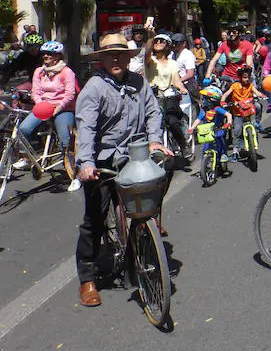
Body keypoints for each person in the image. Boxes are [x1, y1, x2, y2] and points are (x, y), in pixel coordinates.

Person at [74, 33, 172, 307]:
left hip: (136, 154)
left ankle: (147, 231)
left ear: (128, 58)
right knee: (94, 218)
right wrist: (86, 163)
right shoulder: (94, 88)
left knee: (165, 170)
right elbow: (87, 128)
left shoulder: (139, 83)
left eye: (121, 54)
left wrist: (155, 140)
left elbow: (153, 113)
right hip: (102, 159)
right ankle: (88, 279)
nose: (115, 58)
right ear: (102, 59)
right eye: (110, 54)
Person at [14, 41, 79, 191]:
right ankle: (26, 159)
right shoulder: (39, 71)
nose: (46, 56)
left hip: (63, 107)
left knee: (65, 141)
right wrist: (40, 104)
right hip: (45, 106)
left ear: (57, 56)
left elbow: (70, 94)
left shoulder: (66, 71)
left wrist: (57, 108)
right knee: (23, 129)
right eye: (44, 53)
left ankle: (74, 175)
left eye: (49, 54)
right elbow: (36, 92)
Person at [145, 31, 190, 158]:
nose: (158, 43)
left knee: (173, 121)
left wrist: (181, 88)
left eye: (161, 41)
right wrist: (150, 37)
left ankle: (183, 146)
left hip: (169, 96)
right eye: (156, 41)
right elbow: (146, 53)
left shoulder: (172, 63)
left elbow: (176, 80)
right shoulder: (150, 61)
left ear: (168, 45)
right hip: (152, 97)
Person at [221, 65, 266, 161]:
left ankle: (257, 124)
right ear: (240, 77)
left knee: (258, 106)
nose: (247, 80)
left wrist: (261, 95)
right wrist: (223, 101)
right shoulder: (235, 86)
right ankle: (235, 152)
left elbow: (256, 92)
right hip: (238, 113)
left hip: (249, 110)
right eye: (245, 77)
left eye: (248, 77)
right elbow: (226, 94)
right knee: (237, 131)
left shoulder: (250, 85)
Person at [204, 23, 254, 87]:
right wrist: (207, 76)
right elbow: (214, 60)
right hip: (227, 77)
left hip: (241, 78)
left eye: (233, 32)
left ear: (240, 33)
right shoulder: (224, 44)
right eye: (229, 32)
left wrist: (245, 68)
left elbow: (249, 63)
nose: (231, 34)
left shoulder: (247, 45)